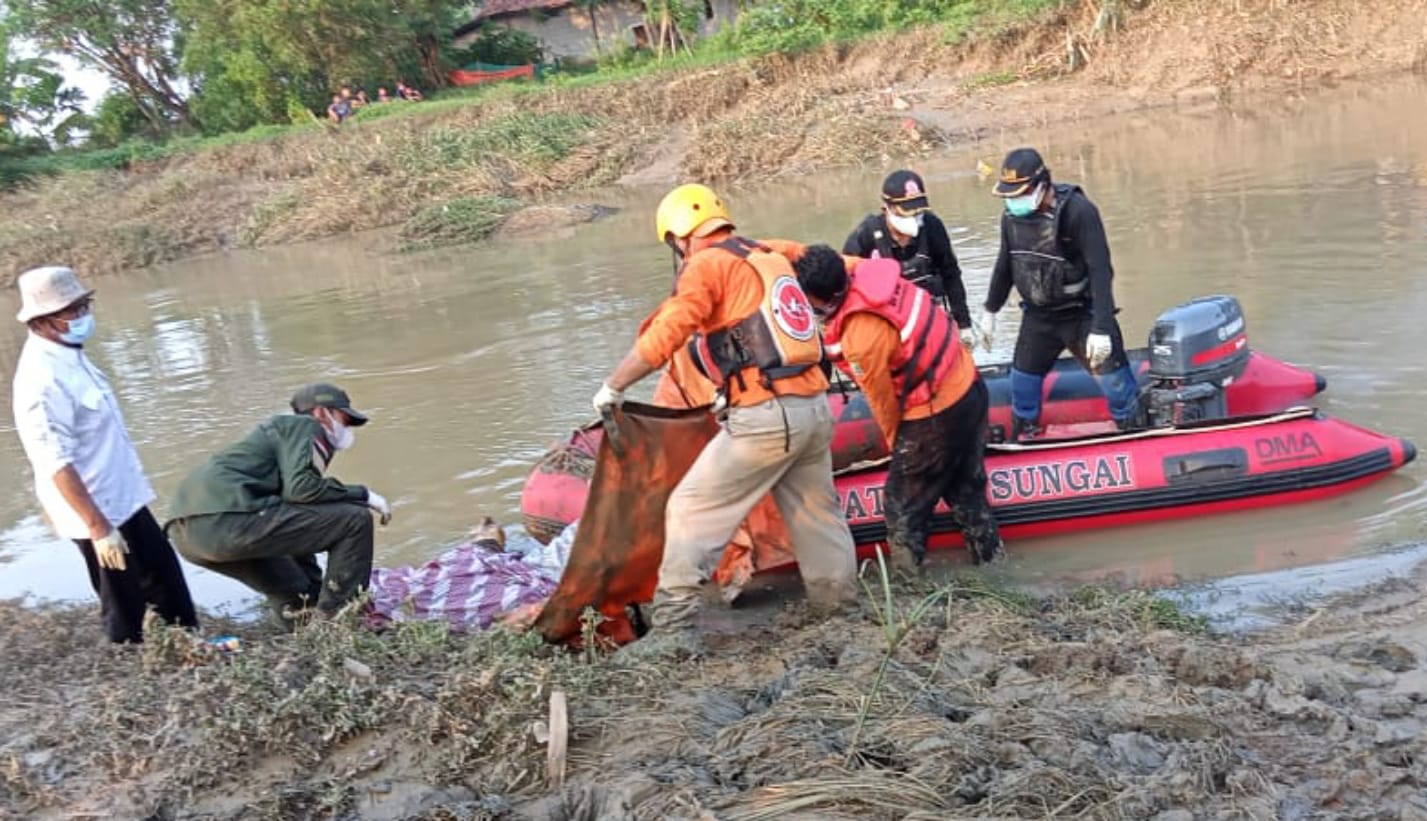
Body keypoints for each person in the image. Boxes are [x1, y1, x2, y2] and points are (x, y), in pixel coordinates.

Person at [591, 183, 858, 658]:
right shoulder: (767, 253)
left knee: (690, 510)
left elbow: (666, 334)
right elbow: (818, 261)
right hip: (814, 409)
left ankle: (672, 630)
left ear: (678, 238)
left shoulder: (705, 265)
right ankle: (839, 611)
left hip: (768, 419)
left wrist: (614, 385)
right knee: (819, 518)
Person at [10, 266, 199, 643]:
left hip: (122, 498)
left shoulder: (71, 355)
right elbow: (54, 462)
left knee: (167, 584)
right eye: (74, 311)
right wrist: (98, 528)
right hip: (94, 511)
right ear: (44, 321)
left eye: (85, 305)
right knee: (123, 603)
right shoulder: (40, 380)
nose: (84, 317)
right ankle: (130, 677)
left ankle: (186, 650)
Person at [794, 245, 1004, 569]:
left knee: (901, 505)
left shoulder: (861, 337)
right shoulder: (856, 269)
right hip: (968, 385)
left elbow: (882, 402)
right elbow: (791, 250)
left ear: (821, 299)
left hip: (935, 413)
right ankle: (992, 562)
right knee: (967, 490)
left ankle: (908, 586)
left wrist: (901, 451)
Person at [164, 383, 393, 625]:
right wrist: (364, 495)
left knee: (297, 592)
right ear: (321, 413)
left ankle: (308, 633)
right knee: (354, 520)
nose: (346, 428)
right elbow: (303, 490)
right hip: (227, 519)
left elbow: (296, 518)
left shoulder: (283, 439)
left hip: (189, 537)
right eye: (344, 419)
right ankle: (341, 620)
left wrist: (316, 589)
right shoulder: (306, 426)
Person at [981, 147, 1142, 440]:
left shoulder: (1079, 212)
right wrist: (990, 310)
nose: (1013, 202)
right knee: (1022, 386)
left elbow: (1101, 271)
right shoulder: (1011, 219)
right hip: (1039, 319)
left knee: (1116, 386)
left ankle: (1133, 431)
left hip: (1082, 315)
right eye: (1009, 195)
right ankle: (1026, 438)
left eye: (1019, 193)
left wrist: (1102, 327)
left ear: (1042, 186)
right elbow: (1006, 263)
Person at [843, 169, 976, 350]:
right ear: (886, 208)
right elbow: (845, 283)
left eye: (917, 212)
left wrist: (964, 324)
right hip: (889, 325)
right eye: (907, 212)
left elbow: (951, 274)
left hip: (931, 316)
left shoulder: (931, 226)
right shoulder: (867, 234)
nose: (914, 218)